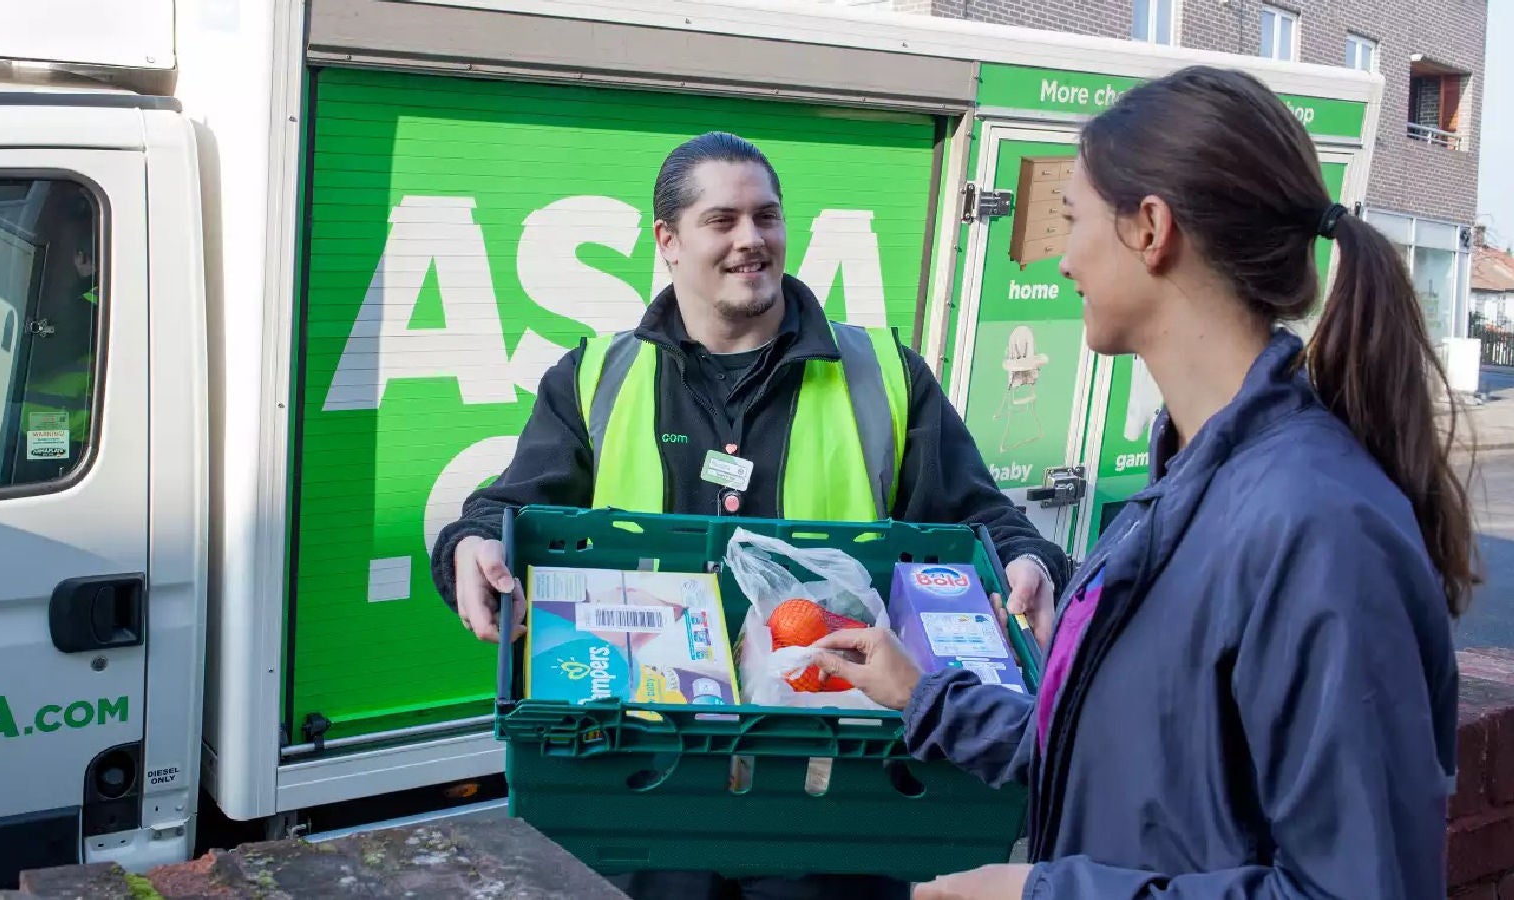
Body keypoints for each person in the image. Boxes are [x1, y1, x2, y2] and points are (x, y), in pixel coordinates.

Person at [811, 65, 1479, 900]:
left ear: (1151, 228)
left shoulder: (1315, 526)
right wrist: (925, 696)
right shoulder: (1185, 489)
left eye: (1071, 219)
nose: (1061, 259)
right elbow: (1129, 768)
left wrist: (1038, 895)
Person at [431, 131, 1073, 900]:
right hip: (650, 798)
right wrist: (468, 545)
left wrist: (1031, 563)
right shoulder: (596, 377)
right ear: (668, 241)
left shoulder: (887, 377)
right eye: (722, 220)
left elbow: (984, 522)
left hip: (834, 803)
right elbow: (506, 512)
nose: (751, 241)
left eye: (767, 217)